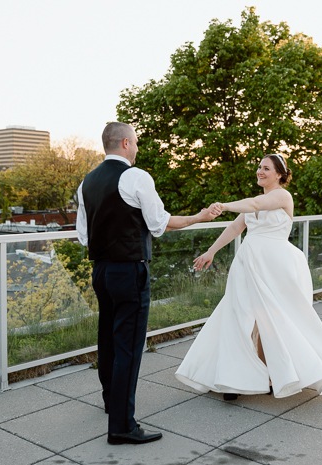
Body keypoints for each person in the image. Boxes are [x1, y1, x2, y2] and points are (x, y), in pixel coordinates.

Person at [76, 122, 220, 445]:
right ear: (126, 143)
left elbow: (83, 235)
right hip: (129, 271)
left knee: (108, 337)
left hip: (100, 271)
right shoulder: (136, 177)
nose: (138, 148)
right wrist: (199, 217)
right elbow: (159, 224)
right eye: (136, 143)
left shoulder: (86, 182)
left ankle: (109, 401)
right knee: (128, 346)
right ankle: (122, 426)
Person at [175, 154, 322, 400]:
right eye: (259, 167)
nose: (260, 171)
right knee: (239, 316)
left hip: (275, 267)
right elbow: (236, 228)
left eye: (266, 168)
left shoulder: (282, 196)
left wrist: (223, 205)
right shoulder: (253, 202)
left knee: (272, 319)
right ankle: (233, 380)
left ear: (279, 174)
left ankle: (271, 375)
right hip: (248, 264)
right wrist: (211, 252)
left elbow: (255, 205)